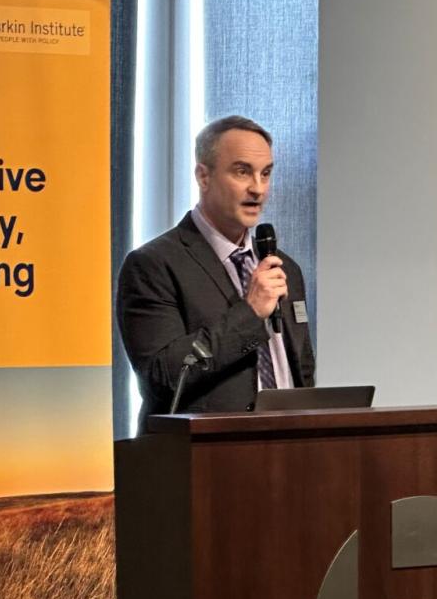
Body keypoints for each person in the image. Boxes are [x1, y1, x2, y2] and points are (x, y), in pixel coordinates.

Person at [117, 116, 315, 424]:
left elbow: (301, 370)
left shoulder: (283, 266)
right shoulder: (153, 264)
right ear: (203, 176)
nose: (258, 188)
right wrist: (250, 313)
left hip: (286, 446)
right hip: (205, 448)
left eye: (265, 173)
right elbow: (162, 376)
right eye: (242, 171)